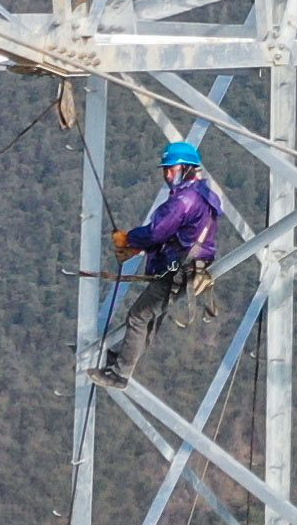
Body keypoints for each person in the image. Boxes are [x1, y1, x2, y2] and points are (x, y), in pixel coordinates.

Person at [97, 138, 229, 382]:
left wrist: (130, 239)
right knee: (152, 314)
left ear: (186, 168)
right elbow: (175, 235)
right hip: (188, 266)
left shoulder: (184, 201)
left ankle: (120, 374)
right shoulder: (203, 195)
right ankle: (127, 357)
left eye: (171, 169)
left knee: (139, 316)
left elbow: (157, 232)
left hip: (178, 268)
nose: (167, 174)